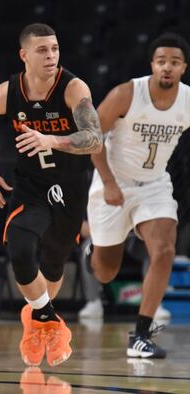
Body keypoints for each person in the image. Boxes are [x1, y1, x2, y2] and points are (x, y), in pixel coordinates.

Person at [0, 23, 102, 367]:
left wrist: (54, 140)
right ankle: (47, 318)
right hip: (31, 185)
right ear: (24, 55)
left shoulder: (73, 88)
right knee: (19, 248)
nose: (51, 56)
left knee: (52, 263)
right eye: (42, 50)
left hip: (71, 188)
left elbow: (95, 137)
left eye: (55, 49)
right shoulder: (7, 92)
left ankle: (36, 322)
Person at [86, 32, 190, 359]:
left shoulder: (187, 101)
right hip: (113, 183)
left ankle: (141, 335)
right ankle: (94, 246)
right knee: (106, 271)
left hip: (155, 184)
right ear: (152, 65)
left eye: (174, 62)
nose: (167, 68)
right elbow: (92, 137)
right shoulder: (127, 93)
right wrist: (109, 183)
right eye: (161, 62)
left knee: (164, 250)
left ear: (183, 67)